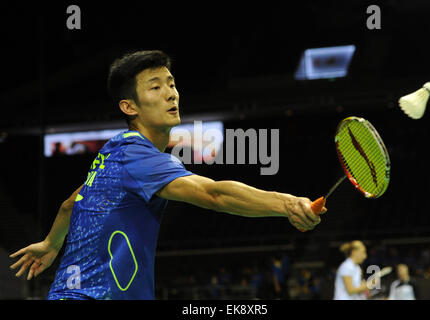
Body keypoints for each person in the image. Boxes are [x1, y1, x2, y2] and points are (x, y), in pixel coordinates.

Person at [9, 50, 326, 300]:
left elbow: (69, 204)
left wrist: (51, 243)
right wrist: (286, 204)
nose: (171, 94)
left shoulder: (113, 151)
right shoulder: (137, 156)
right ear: (129, 107)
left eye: (172, 84)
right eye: (156, 87)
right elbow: (213, 194)